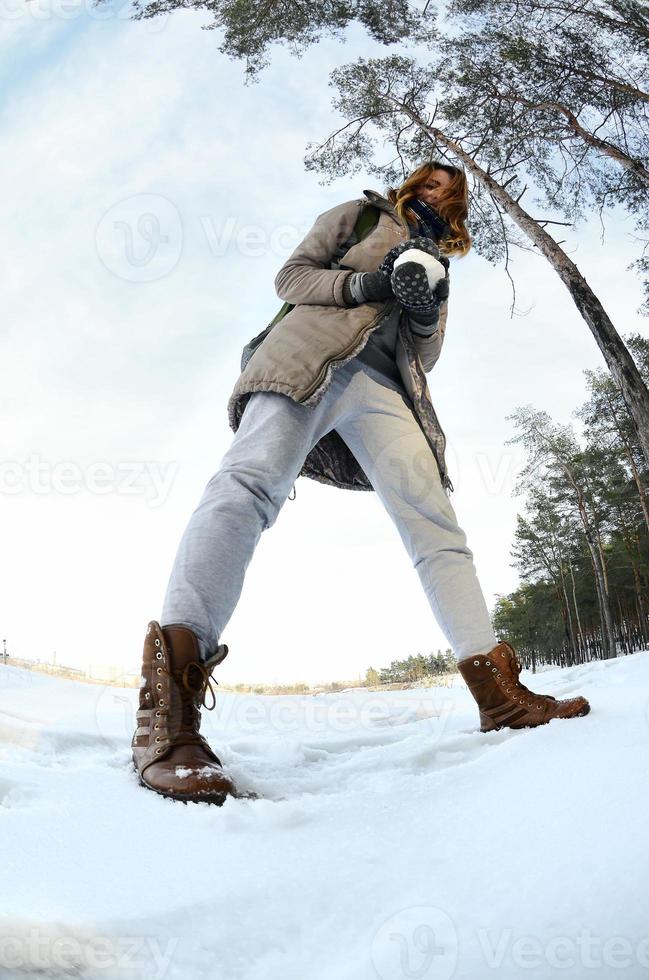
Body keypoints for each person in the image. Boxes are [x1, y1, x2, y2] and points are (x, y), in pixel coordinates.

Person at [131, 162, 590, 805]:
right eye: (431, 182)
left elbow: (422, 358)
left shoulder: (439, 263)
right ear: (411, 185)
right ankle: (168, 719)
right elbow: (291, 277)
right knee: (247, 488)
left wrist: (425, 313)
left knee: (436, 527)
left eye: (452, 192)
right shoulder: (363, 216)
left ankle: (500, 696)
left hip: (383, 389)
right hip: (307, 358)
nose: (440, 193)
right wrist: (372, 282)